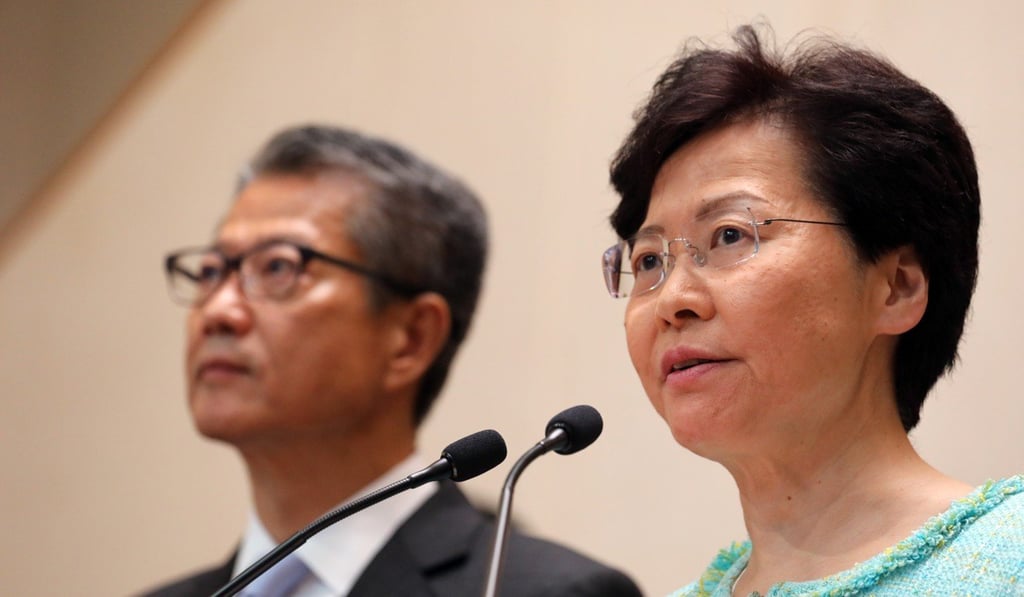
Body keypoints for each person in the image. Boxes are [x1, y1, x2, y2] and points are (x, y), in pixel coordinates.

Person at [601, 24, 1023, 596]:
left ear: (895, 287)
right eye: (649, 261)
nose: (673, 300)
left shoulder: (1008, 559)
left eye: (729, 235)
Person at [143, 124, 643, 597]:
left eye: (277, 267)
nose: (219, 311)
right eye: (212, 270)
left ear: (411, 337)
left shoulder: (544, 591)